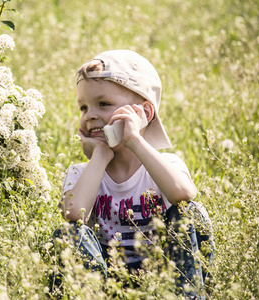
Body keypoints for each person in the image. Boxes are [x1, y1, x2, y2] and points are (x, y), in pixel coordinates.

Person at [54, 50, 214, 299]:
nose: (90, 115)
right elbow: (74, 215)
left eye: (103, 104)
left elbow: (183, 195)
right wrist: (100, 156)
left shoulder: (165, 164)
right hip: (106, 275)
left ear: (144, 114)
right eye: (83, 107)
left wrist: (134, 140)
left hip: (162, 274)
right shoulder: (81, 173)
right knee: (69, 232)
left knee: (192, 213)